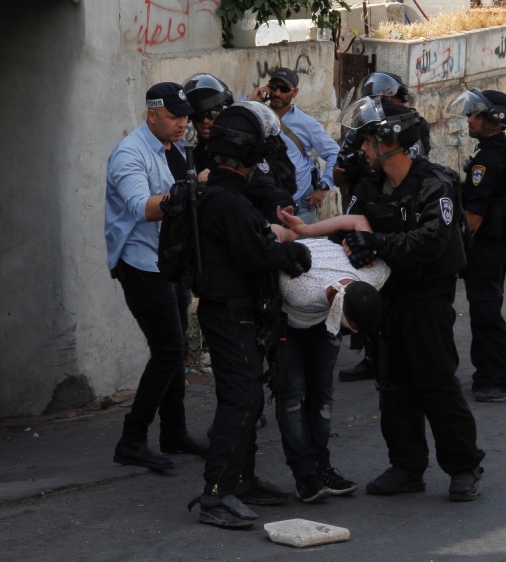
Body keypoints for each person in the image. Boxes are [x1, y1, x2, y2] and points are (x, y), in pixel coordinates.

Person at [335, 96, 486, 501]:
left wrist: (377, 242)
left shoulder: (437, 183)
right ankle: (406, 466)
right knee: (393, 385)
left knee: (435, 383)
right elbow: (348, 230)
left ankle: (463, 466)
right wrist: (357, 245)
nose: (362, 149)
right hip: (389, 297)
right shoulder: (369, 185)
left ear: (389, 140)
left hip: (428, 297)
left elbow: (432, 243)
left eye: (367, 141)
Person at [186, 101, 314, 528]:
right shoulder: (228, 203)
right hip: (230, 313)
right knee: (242, 399)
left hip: (232, 312)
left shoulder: (220, 195)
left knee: (244, 395)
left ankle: (241, 480)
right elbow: (258, 253)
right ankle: (217, 493)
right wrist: (295, 253)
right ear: (249, 155)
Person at [105, 82, 209, 471]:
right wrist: (192, 189)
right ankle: (131, 440)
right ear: (152, 114)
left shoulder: (176, 147)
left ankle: (174, 432)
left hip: (171, 263)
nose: (182, 123)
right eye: (173, 116)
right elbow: (141, 207)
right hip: (141, 265)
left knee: (177, 350)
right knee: (167, 351)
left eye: (185, 116)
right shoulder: (130, 154)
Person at [269, 212, 391, 502]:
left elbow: (360, 219)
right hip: (290, 324)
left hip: (325, 315)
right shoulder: (297, 288)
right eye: (351, 328)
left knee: (323, 393)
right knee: (293, 395)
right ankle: (305, 475)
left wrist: (366, 245)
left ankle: (322, 467)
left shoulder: (374, 274)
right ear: (340, 311)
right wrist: (291, 234)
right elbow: (270, 241)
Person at [334, 71, 432, 383]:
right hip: (366, 201)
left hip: (395, 213)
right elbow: (338, 173)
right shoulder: (362, 131)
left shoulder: (411, 130)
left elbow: (407, 164)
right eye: (376, 100)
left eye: (387, 99)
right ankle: (374, 353)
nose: (382, 105)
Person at [445, 89, 506, 403]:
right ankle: (486, 377)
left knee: (487, 313)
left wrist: (456, 249)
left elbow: (474, 215)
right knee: (483, 311)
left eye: (474, 114)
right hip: (503, 243)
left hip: (487, 246)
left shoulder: (488, 159)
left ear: (492, 118)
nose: (469, 119)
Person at [183, 73, 295, 224]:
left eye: (212, 113)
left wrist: (266, 230)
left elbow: (271, 195)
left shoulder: (244, 148)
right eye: (198, 115)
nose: (205, 120)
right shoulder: (194, 156)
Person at [246, 67, 339, 224]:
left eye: (284, 89)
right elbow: (228, 118)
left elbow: (334, 152)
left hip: (300, 202)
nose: (277, 93)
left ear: (294, 93)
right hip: (266, 202)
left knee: (302, 247)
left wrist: (324, 187)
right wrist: (250, 101)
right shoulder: (255, 114)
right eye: (274, 87)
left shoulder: (306, 123)